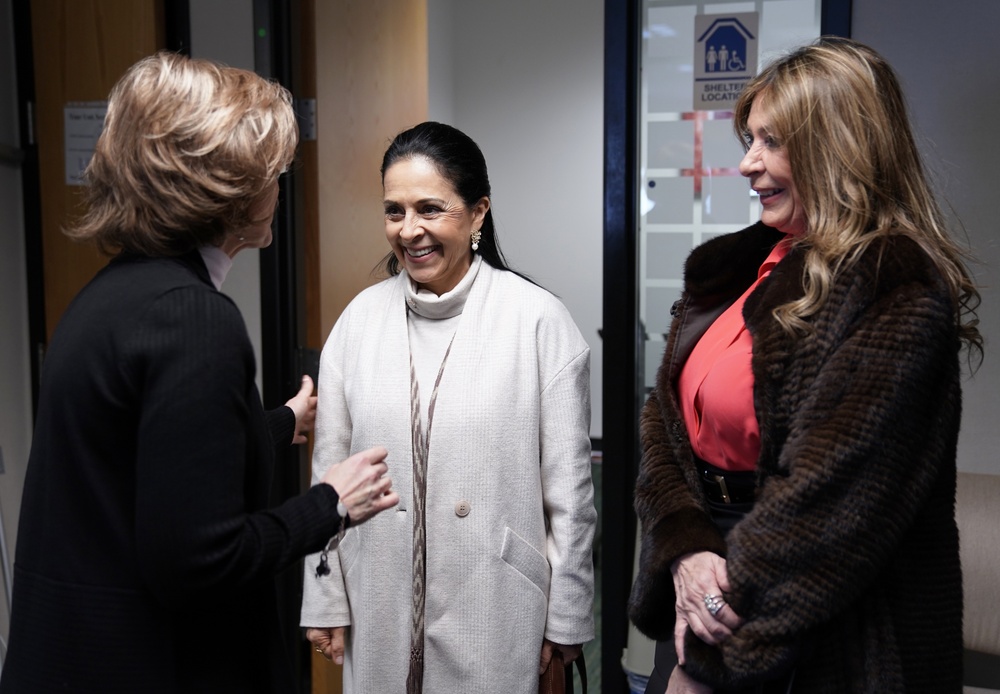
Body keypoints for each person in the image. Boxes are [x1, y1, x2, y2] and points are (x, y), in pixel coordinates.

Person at [0, 53, 398, 694]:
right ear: (228, 189)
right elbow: (199, 562)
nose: (279, 189)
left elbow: (149, 460)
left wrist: (277, 425)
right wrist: (331, 505)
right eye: (273, 174)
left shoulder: (113, 297)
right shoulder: (194, 319)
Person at [629, 37, 981, 694]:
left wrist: (709, 662)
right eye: (748, 139)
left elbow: (832, 504)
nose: (746, 164)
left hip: (816, 623)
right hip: (709, 571)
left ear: (838, 146)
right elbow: (664, 421)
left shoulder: (895, 284)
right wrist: (687, 547)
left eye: (771, 142)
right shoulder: (739, 268)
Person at [300, 121, 596, 692]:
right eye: (394, 211)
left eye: (430, 209)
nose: (409, 230)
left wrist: (568, 616)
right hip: (378, 598)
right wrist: (325, 595)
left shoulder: (537, 321)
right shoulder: (358, 322)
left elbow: (572, 496)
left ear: (478, 212)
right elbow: (327, 474)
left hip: (498, 600)